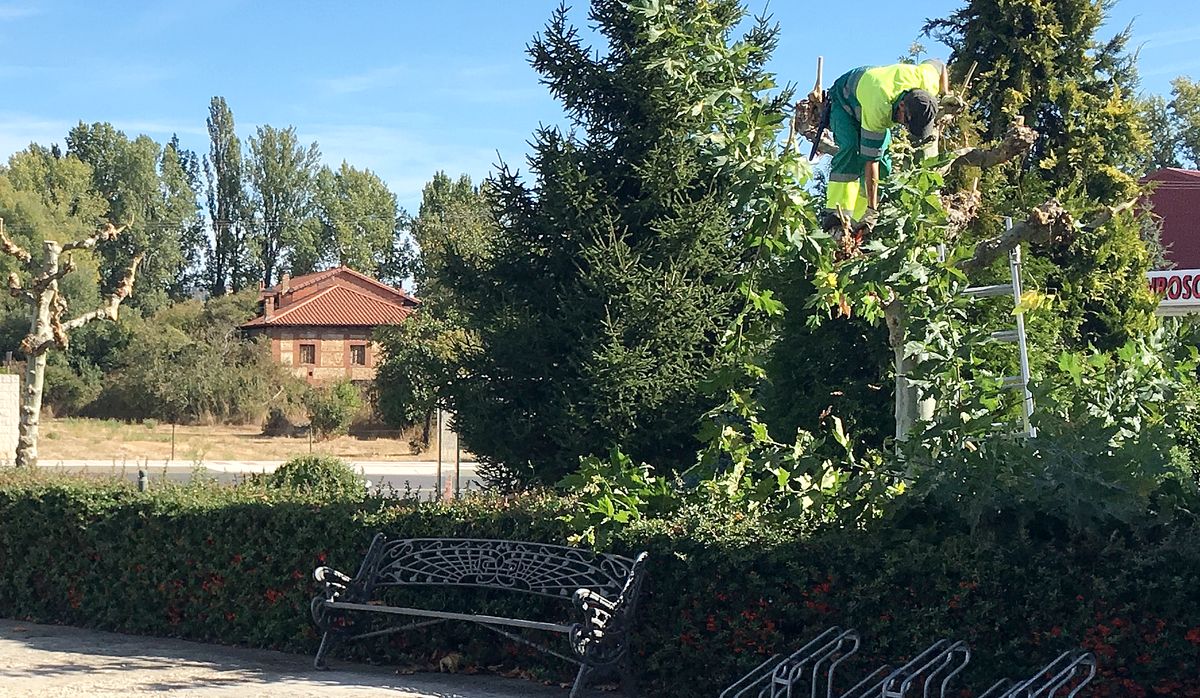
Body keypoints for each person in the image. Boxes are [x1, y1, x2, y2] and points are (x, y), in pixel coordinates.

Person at [820, 60, 950, 237]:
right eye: (905, 122)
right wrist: (873, 210)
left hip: (871, 89)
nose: (904, 127)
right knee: (851, 149)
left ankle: (858, 223)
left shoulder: (927, 81)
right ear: (902, 105)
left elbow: (940, 65)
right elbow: (870, 162)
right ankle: (837, 214)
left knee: (884, 166)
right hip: (846, 98)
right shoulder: (880, 108)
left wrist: (947, 93)